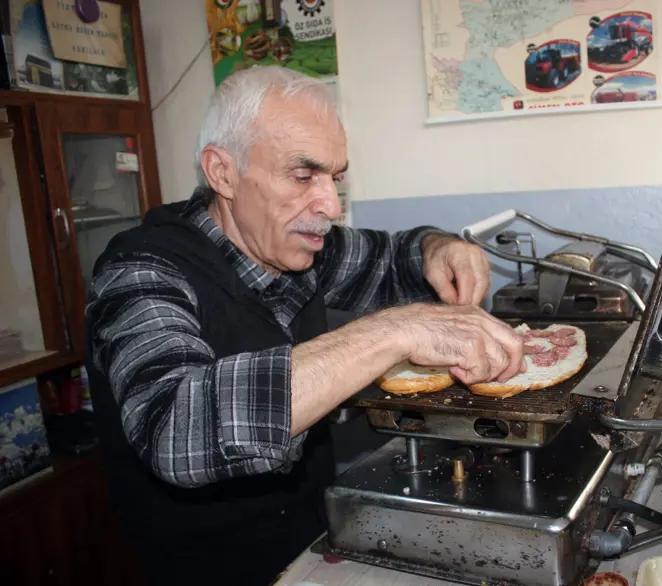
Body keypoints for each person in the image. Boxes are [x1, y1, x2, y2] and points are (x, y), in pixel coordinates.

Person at [84, 66, 525, 586]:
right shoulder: (139, 271)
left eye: (335, 178)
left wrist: (439, 246)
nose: (331, 207)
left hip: (311, 541)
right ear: (222, 173)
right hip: (208, 568)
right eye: (302, 176)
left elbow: (395, 258)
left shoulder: (300, 245)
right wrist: (392, 332)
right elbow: (176, 428)